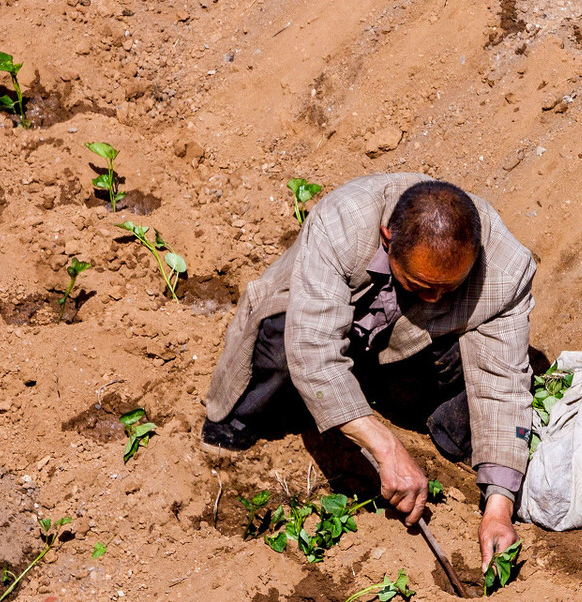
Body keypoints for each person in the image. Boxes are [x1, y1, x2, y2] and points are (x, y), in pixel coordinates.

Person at [202, 173, 535, 569]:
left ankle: (409, 409)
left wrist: (499, 508)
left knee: (462, 365)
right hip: (305, 323)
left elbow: (503, 383)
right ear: (386, 239)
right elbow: (314, 347)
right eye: (423, 284)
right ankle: (245, 416)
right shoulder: (343, 221)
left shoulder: (507, 270)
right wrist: (388, 448)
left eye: (449, 288)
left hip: (399, 344)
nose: (435, 297)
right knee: (280, 338)